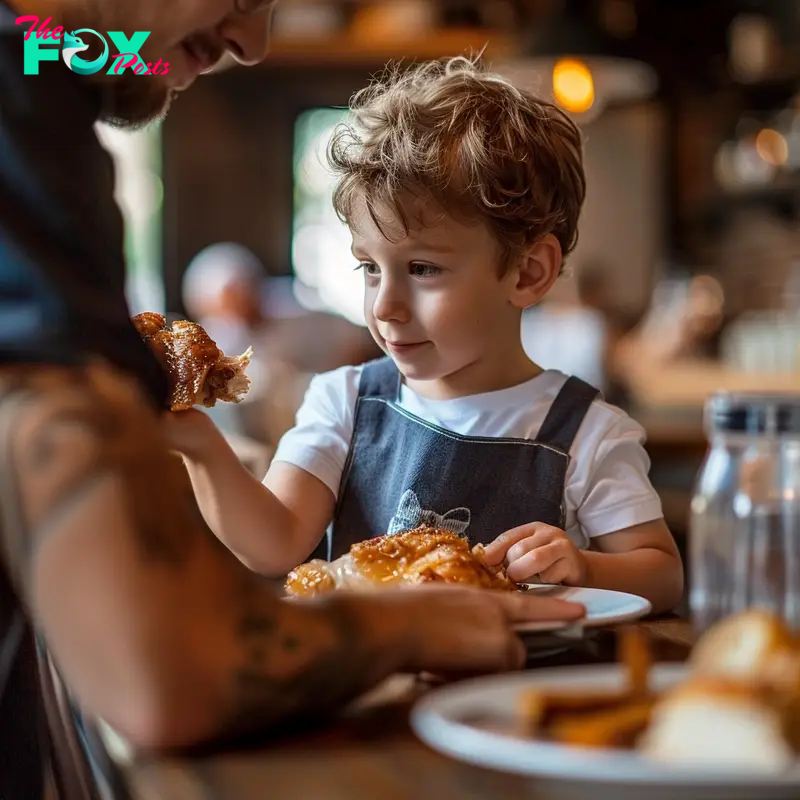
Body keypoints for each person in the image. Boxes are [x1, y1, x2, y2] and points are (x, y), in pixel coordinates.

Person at [0, 4, 586, 799]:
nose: (254, 41)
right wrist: (421, 620)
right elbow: (162, 677)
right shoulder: (22, 96)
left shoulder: (43, 60)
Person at [166, 58, 684, 614]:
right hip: (373, 689)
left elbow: (661, 575)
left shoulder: (584, 434)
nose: (384, 306)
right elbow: (272, 545)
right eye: (369, 268)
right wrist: (199, 444)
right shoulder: (346, 403)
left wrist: (584, 565)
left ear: (527, 273)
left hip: (515, 692)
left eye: (423, 270)